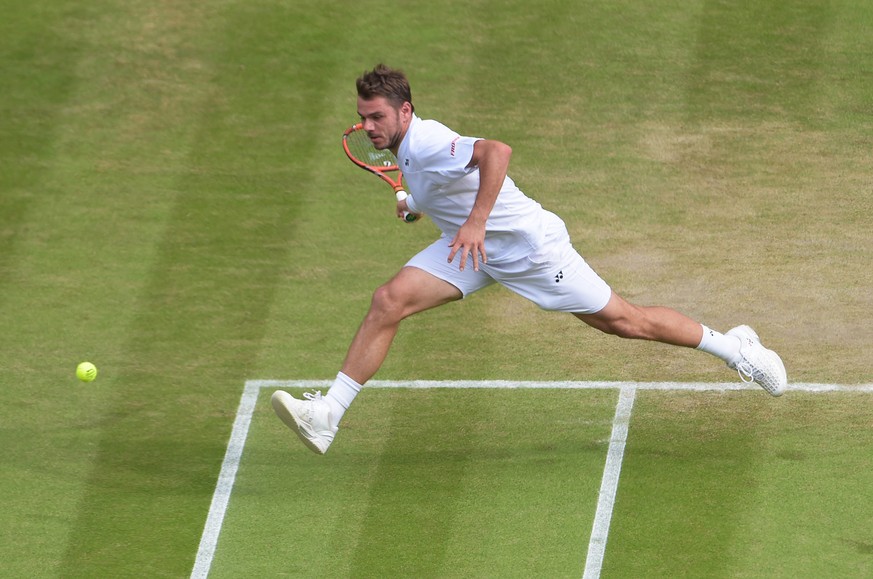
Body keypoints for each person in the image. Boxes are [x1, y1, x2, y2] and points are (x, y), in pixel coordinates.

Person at [272, 64, 787, 455]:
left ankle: (737, 349)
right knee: (388, 300)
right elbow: (439, 186)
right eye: (362, 117)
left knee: (626, 323)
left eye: (377, 116)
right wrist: (415, 205)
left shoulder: (425, 140)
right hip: (471, 253)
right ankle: (328, 415)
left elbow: (497, 151)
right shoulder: (408, 150)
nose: (368, 127)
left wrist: (474, 222)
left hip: (529, 250)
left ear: (405, 111)